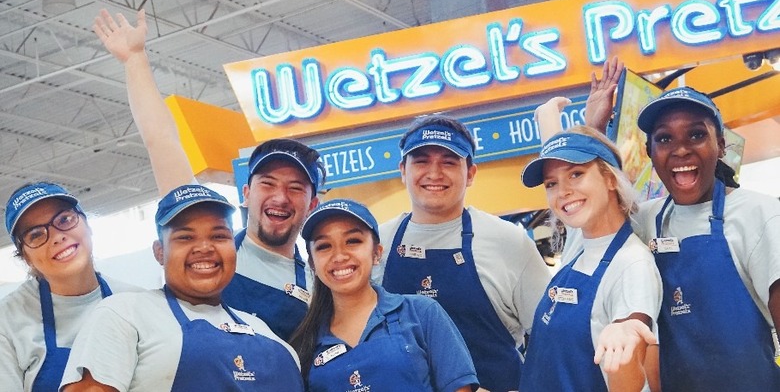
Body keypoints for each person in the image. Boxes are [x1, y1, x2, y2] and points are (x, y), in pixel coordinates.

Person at [93, 8, 323, 341]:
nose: (279, 197)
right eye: (267, 183)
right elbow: (162, 143)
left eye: (295, 187)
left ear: (312, 203)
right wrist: (135, 60)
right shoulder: (209, 246)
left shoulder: (320, 282)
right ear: (245, 193)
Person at [583, 61, 780, 390]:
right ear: (649, 152)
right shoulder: (644, 221)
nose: (681, 149)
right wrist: (594, 127)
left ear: (721, 146)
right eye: (664, 139)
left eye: (697, 134)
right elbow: (590, 213)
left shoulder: (759, 214)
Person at [60, 184, 304, 391]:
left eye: (219, 236)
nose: (205, 248)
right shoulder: (124, 314)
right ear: (159, 252)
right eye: (185, 237)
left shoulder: (266, 333)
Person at [374, 114, 551, 391]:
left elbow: (552, 339)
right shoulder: (376, 245)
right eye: (421, 161)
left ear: (470, 174)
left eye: (449, 162)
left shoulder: (509, 242)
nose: (434, 173)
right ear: (402, 170)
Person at [518, 125, 662, 391]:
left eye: (576, 174)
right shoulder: (582, 250)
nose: (562, 191)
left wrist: (624, 347)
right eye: (552, 183)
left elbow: (630, 384)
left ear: (610, 179)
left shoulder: (631, 264)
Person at [290, 199, 478, 391]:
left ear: (377, 253)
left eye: (353, 241)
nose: (339, 256)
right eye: (324, 246)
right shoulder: (306, 344)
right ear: (312, 263)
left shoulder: (421, 313)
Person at [0, 182, 139, 392]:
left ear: (87, 224)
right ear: (26, 258)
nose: (57, 237)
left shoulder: (137, 303)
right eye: (36, 235)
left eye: (64, 220)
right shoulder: (7, 322)